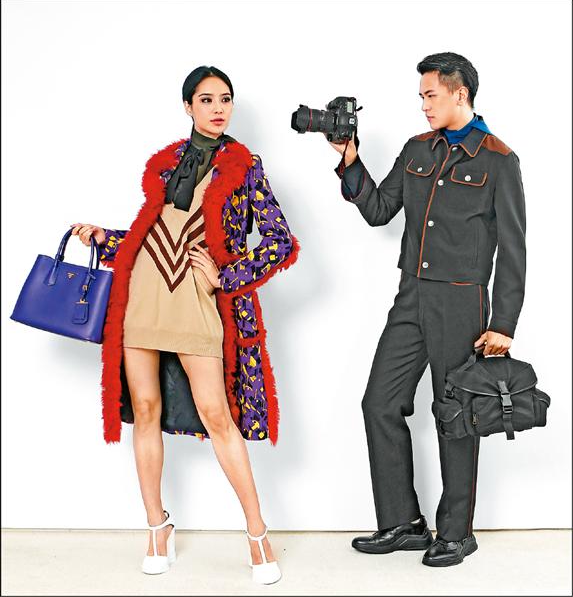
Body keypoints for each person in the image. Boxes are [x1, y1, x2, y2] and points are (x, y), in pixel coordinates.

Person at [71, 65, 300, 582]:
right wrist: (104, 238)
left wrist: (227, 275)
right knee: (145, 410)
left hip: (197, 299)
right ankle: (157, 527)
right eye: (206, 99)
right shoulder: (167, 163)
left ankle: (257, 531)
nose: (218, 108)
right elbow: (150, 231)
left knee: (217, 415)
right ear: (188, 106)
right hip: (144, 295)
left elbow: (280, 241)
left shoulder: (244, 166)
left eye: (225, 99)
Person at [328, 52, 526, 567]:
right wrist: (350, 160)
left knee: (454, 414)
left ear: (461, 93)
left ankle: (457, 533)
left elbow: (514, 249)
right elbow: (379, 211)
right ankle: (402, 522)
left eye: (430, 95)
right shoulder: (417, 149)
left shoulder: (498, 160)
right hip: (411, 295)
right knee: (379, 402)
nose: (423, 105)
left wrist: (503, 324)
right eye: (421, 96)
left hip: (462, 301)